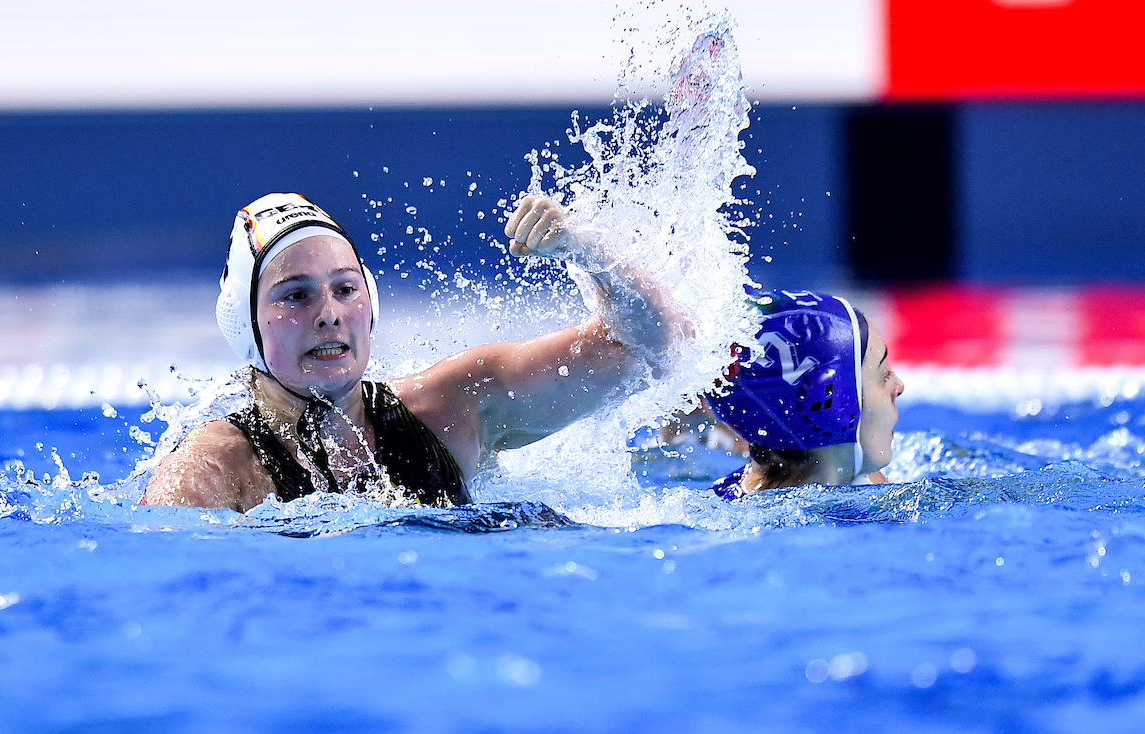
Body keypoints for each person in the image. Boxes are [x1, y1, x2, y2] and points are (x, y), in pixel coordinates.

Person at [142, 192, 683, 511]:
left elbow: (652, 349)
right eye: (296, 295)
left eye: (345, 288)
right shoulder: (213, 472)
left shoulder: (451, 410)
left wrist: (586, 250)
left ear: (371, 304)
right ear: (247, 325)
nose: (329, 313)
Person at [705, 290, 903, 497]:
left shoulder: (721, 503)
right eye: (884, 375)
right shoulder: (881, 504)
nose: (899, 386)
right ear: (831, 404)